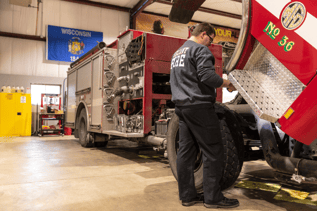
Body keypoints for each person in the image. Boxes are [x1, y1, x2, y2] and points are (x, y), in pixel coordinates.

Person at [169, 22, 238, 209]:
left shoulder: (178, 53)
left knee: (185, 152)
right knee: (213, 151)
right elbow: (207, 76)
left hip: (182, 107)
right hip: (199, 106)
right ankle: (213, 198)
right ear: (204, 34)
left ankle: (188, 196)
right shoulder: (201, 50)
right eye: (211, 39)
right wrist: (227, 83)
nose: (210, 43)